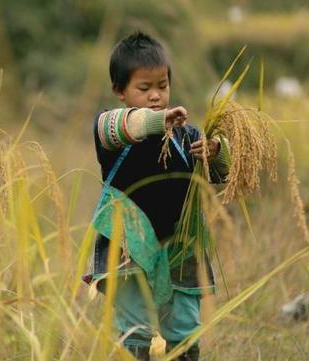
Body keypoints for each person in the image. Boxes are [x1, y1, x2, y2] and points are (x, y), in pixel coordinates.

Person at [84, 32, 230, 361]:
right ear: (119, 91)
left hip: (180, 246)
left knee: (184, 327)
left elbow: (221, 175)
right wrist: (155, 121)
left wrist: (216, 151)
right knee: (134, 327)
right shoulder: (111, 132)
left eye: (162, 86)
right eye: (144, 88)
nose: (155, 96)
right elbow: (122, 125)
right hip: (129, 246)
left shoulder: (187, 135)